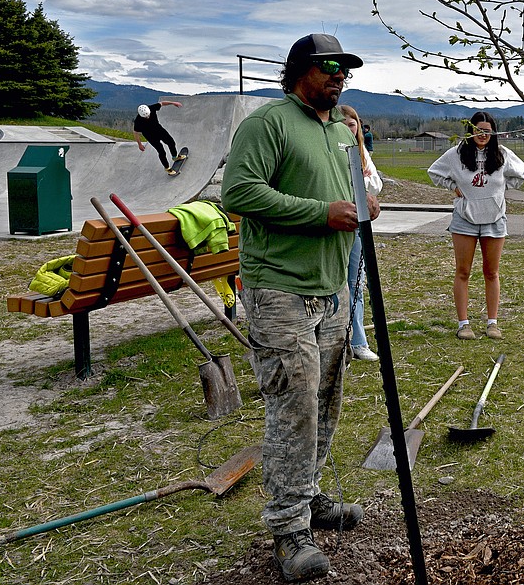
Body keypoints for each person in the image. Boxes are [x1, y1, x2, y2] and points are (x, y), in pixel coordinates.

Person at [221, 33, 380, 583]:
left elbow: (347, 197)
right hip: (280, 291)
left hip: (331, 289)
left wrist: (363, 204)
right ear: (299, 71)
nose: (339, 75)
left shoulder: (338, 129)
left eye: (345, 70)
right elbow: (238, 193)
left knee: (326, 401)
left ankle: (309, 499)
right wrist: (321, 213)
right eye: (328, 67)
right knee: (293, 408)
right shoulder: (269, 123)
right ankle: (288, 530)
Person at [427, 110, 524, 340]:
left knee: (491, 272)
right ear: (471, 131)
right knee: (463, 271)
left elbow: (521, 174)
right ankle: (464, 324)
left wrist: (501, 191)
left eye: (487, 131)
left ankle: (492, 323)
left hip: (495, 219)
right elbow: (434, 172)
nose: (483, 135)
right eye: (478, 130)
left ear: (493, 133)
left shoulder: (502, 154)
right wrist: (452, 187)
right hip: (465, 220)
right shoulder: (456, 154)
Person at [338, 104, 382, 362]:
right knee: (335, 282)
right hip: (333, 221)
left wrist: (365, 179)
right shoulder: (331, 150)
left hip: (356, 223)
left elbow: (376, 185)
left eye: (352, 124)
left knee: (356, 281)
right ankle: (337, 342)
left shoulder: (362, 152)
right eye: (342, 124)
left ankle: (358, 341)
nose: (348, 128)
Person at [133, 100, 184, 174]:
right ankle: (167, 168)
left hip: (159, 129)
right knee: (161, 151)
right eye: (145, 117)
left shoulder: (152, 108)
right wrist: (139, 144)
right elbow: (135, 133)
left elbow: (162, 103)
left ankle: (175, 157)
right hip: (150, 136)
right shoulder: (138, 121)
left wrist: (173, 103)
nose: (147, 117)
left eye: (148, 115)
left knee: (171, 142)